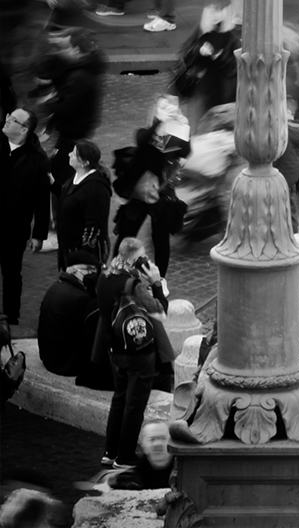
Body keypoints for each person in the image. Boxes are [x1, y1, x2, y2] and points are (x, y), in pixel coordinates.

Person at [97, 238, 168, 466]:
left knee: (119, 399)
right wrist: (156, 284)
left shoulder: (105, 277)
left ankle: (110, 452)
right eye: (143, 257)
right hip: (140, 353)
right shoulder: (133, 285)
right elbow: (160, 311)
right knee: (135, 405)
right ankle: (125, 457)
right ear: (135, 260)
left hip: (115, 350)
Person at [1, 108, 51, 323]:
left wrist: (39, 234)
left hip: (14, 228)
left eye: (12, 120)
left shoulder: (37, 160)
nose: (6, 120)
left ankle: (11, 317)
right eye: (7, 117)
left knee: (12, 274)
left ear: (23, 129)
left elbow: (42, 200)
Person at [56, 138, 112, 270]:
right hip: (69, 247)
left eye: (74, 154)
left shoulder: (95, 189)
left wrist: (83, 257)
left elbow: (93, 227)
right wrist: (53, 184)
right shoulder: (76, 176)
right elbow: (68, 195)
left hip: (84, 253)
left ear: (84, 163)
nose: (69, 154)